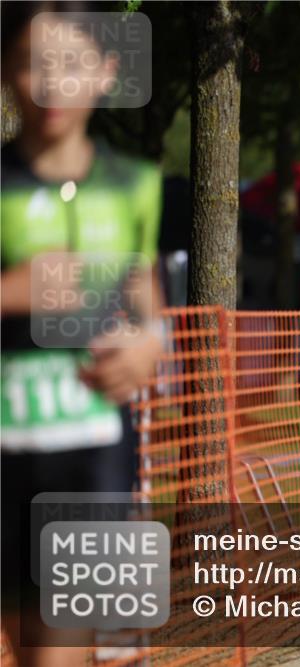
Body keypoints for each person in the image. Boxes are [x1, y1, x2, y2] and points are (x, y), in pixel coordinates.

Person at [1, 4, 164, 665]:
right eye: (33, 64)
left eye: (70, 65)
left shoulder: (135, 185)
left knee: (61, 649)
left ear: (105, 73)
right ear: (7, 73)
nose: (50, 84)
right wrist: (17, 290)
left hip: (91, 453)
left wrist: (151, 344)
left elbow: (147, 300)